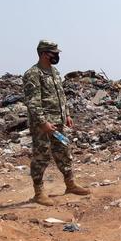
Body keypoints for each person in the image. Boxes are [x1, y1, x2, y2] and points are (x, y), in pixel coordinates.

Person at [23, 40, 90, 206]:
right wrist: (42, 122)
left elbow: (61, 96)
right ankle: (39, 193)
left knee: (64, 151)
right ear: (45, 53)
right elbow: (33, 102)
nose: (57, 56)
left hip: (58, 123)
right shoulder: (33, 74)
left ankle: (70, 184)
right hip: (43, 125)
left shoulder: (55, 72)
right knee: (42, 156)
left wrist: (66, 114)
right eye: (54, 53)